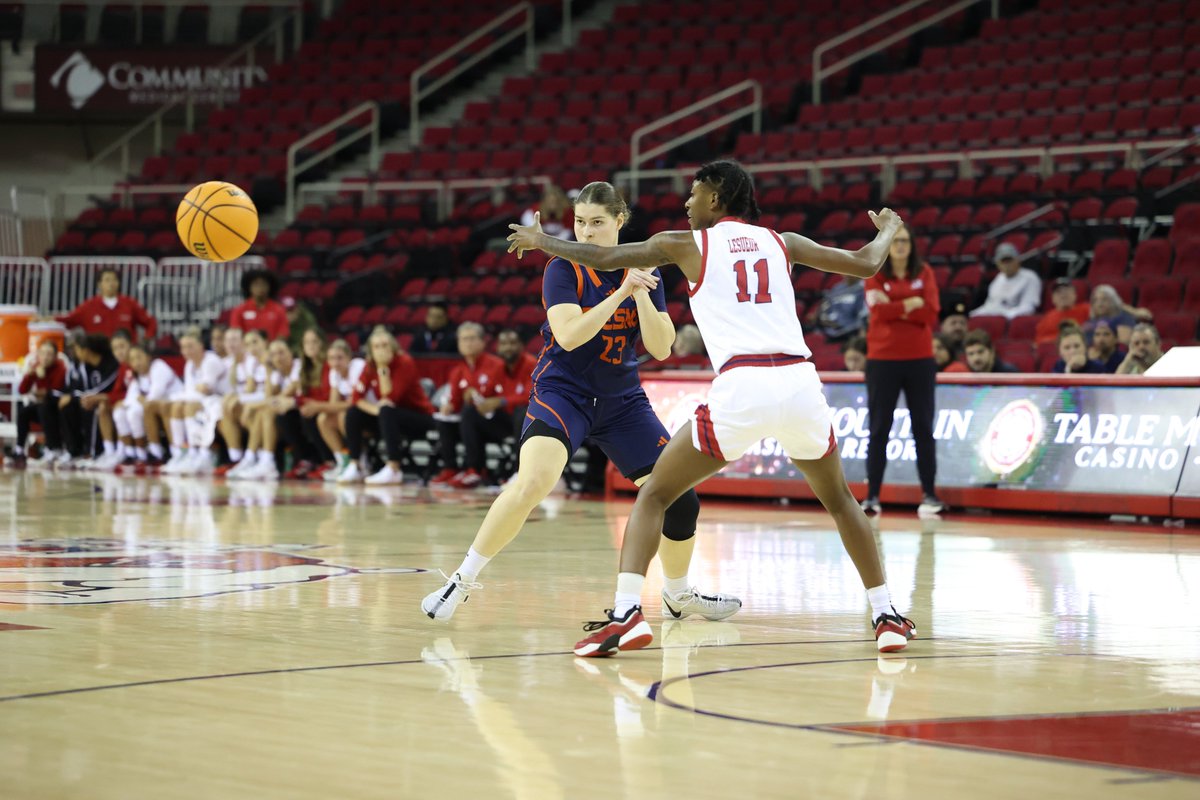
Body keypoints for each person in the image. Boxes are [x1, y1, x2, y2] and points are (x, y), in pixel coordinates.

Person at [504, 162, 915, 657]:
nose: (686, 203)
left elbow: (603, 256)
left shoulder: (686, 243)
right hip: (801, 384)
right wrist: (890, 227)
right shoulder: (784, 242)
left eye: (694, 194)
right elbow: (868, 262)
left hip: (744, 386)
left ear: (716, 200)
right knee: (841, 500)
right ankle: (887, 613)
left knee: (655, 493)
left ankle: (626, 615)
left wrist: (543, 241)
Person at [422, 180, 739, 627]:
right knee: (533, 482)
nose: (586, 233)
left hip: (622, 401)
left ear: (619, 222)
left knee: (680, 499)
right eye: (579, 223)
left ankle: (677, 594)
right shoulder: (562, 267)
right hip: (564, 392)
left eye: (597, 223)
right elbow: (570, 336)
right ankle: (462, 578)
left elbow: (663, 347)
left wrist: (643, 293)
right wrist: (622, 292)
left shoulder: (646, 265)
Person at [862, 223, 945, 518]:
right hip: (882, 360)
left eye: (905, 241)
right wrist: (910, 303)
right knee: (879, 428)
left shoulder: (925, 273)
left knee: (923, 427)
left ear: (912, 246)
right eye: (895, 241)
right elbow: (878, 311)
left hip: (920, 359)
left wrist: (894, 306)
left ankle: (930, 494)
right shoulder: (872, 274)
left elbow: (931, 313)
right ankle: (872, 496)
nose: (900, 246)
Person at [339, 326, 435, 485]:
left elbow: (390, 397)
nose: (381, 350)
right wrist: (376, 410)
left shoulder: (404, 362)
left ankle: (394, 468)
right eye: (377, 346)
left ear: (393, 347)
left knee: (387, 410)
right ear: (370, 350)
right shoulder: (370, 365)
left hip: (420, 417)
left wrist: (383, 368)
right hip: (390, 417)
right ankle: (356, 464)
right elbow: (356, 397)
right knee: (353, 412)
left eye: (385, 345)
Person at [446, 327, 536, 488]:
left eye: (512, 343)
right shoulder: (498, 367)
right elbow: (487, 393)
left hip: (528, 423)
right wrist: (473, 395)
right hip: (505, 423)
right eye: (503, 344)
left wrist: (500, 401)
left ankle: (520, 472)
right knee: (470, 413)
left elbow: (530, 396)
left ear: (522, 346)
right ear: (497, 347)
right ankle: (475, 469)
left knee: (521, 412)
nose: (508, 347)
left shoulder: (531, 364)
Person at [428, 322, 510, 488]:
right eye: (464, 339)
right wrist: (449, 406)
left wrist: (481, 401)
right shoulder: (458, 371)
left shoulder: (497, 365)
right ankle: (450, 467)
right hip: (472, 424)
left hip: (498, 422)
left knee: (470, 412)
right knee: (444, 419)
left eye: (472, 339)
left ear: (482, 342)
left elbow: (505, 397)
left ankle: (475, 469)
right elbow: (454, 400)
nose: (468, 343)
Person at [161, 329, 228, 475]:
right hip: (205, 401)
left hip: (220, 400)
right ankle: (180, 453)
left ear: (201, 346)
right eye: (183, 347)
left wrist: (192, 392)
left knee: (189, 406)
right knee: (177, 406)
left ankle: (201, 453)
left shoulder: (211, 361)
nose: (186, 351)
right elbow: (191, 392)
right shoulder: (190, 365)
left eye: (190, 346)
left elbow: (204, 390)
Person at [112, 342, 182, 469]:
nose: (136, 362)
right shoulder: (137, 376)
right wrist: (127, 402)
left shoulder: (159, 367)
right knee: (120, 411)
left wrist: (139, 399)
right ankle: (133, 453)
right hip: (157, 407)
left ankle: (158, 452)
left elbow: (154, 396)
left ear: (148, 357)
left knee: (140, 410)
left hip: (176, 404)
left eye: (139, 357)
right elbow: (129, 400)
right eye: (132, 359)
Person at [57, 333, 121, 468]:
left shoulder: (111, 364)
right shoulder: (85, 366)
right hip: (92, 399)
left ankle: (94, 453)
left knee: (91, 405)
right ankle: (74, 451)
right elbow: (80, 388)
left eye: (77, 350)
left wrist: (76, 397)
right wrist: (74, 397)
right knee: (68, 406)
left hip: (111, 400)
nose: (75, 353)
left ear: (86, 351)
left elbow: (102, 389)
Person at [279, 328, 333, 479]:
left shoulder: (329, 364)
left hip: (328, 408)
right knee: (286, 415)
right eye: (306, 342)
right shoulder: (304, 367)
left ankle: (328, 460)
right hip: (313, 406)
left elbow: (326, 396)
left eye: (314, 341)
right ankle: (305, 459)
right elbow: (303, 395)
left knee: (308, 413)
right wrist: (295, 402)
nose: (310, 345)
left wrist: (296, 401)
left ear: (322, 344)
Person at [311, 338, 367, 482]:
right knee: (323, 418)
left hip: (369, 412)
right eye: (331, 358)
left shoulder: (358, 367)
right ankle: (343, 462)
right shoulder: (334, 373)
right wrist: (321, 408)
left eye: (339, 358)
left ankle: (361, 461)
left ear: (349, 358)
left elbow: (353, 402)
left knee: (344, 416)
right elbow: (333, 404)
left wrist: (316, 406)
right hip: (354, 414)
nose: (335, 363)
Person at [58, 267, 157, 341]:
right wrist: (50, 319)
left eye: (115, 280)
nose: (111, 283)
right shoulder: (88, 306)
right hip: (98, 358)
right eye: (107, 280)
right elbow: (68, 320)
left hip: (125, 358)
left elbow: (150, 322)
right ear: (99, 284)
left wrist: (146, 340)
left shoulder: (130, 304)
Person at [222, 329, 271, 478]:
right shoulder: (253, 363)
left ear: (265, 342)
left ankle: (257, 459)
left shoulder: (269, 360)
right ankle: (244, 458)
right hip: (262, 400)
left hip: (272, 402)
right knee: (229, 407)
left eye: (255, 342)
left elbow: (268, 393)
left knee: (257, 412)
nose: (252, 347)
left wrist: (243, 401)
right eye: (248, 344)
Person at [13, 341, 67, 469]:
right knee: (24, 411)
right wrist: (29, 375)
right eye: (42, 353)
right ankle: (19, 449)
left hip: (57, 409)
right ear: (38, 355)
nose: (45, 357)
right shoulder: (36, 367)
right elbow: (21, 390)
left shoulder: (61, 368)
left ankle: (53, 448)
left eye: (49, 354)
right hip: (42, 407)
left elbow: (53, 393)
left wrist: (42, 380)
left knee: (44, 407)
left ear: (55, 357)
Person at [969, 242, 1042, 320]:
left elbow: (1028, 308)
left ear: (1017, 260)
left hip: (1013, 320)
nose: (1007, 265)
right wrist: (973, 315)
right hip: (995, 318)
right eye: (1003, 261)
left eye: (1009, 260)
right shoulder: (998, 279)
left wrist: (1003, 316)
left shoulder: (1030, 277)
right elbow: (989, 305)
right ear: (998, 264)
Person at [229, 269, 289, 341]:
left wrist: (272, 348)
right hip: (247, 349)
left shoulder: (279, 310)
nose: (260, 288)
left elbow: (283, 333)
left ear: (269, 287)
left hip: (271, 350)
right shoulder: (239, 310)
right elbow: (236, 333)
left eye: (263, 284)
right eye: (256, 284)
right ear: (249, 287)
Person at [1034, 278, 1089, 345]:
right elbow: (1038, 343)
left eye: (1066, 291)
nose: (1063, 295)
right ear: (1053, 298)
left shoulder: (1087, 310)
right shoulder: (1046, 319)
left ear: (1075, 294)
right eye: (1058, 292)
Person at [812, 275, 868, 341]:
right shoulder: (837, 287)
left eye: (849, 273)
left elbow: (863, 315)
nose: (846, 275)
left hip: (849, 331)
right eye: (845, 273)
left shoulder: (863, 289)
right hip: (829, 329)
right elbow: (826, 306)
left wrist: (860, 330)